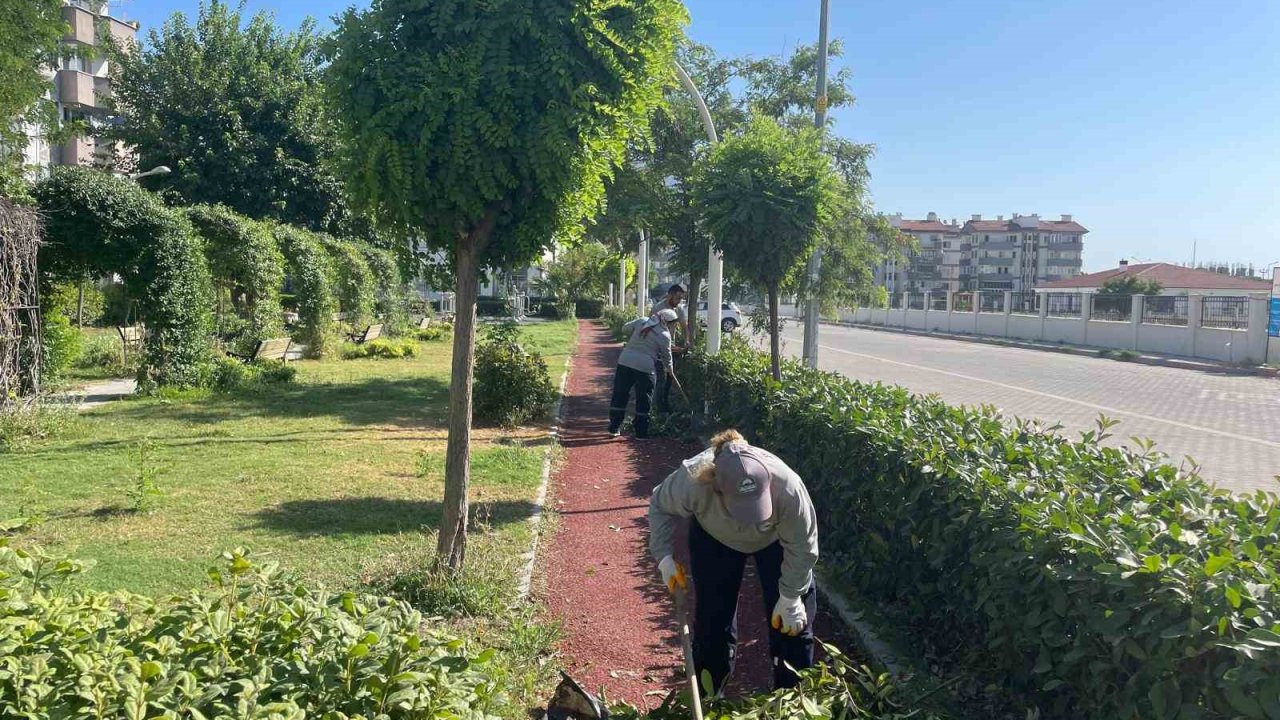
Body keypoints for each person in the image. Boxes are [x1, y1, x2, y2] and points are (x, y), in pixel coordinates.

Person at [648, 430, 819, 695]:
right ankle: (711, 694)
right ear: (715, 486)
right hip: (715, 537)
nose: (748, 520)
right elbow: (659, 504)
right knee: (713, 621)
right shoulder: (693, 480)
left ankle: (793, 699)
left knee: (792, 626)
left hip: (775, 540)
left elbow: (803, 547)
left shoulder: (788, 487)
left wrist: (791, 597)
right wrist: (665, 559)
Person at [608, 308, 677, 438]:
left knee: (620, 394)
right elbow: (667, 357)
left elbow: (625, 329)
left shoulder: (643, 321)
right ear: (667, 322)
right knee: (644, 399)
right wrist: (670, 370)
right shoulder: (665, 335)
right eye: (673, 323)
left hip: (625, 361)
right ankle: (641, 432)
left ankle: (614, 427)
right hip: (645, 368)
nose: (674, 326)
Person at [651, 284, 689, 412]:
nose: (679, 301)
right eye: (678, 298)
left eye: (681, 299)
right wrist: (671, 348)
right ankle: (658, 408)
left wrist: (686, 341)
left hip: (670, 347)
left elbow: (684, 326)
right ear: (670, 295)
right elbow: (654, 333)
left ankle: (665, 404)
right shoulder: (657, 309)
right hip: (657, 349)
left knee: (669, 378)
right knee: (660, 378)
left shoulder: (678, 309)